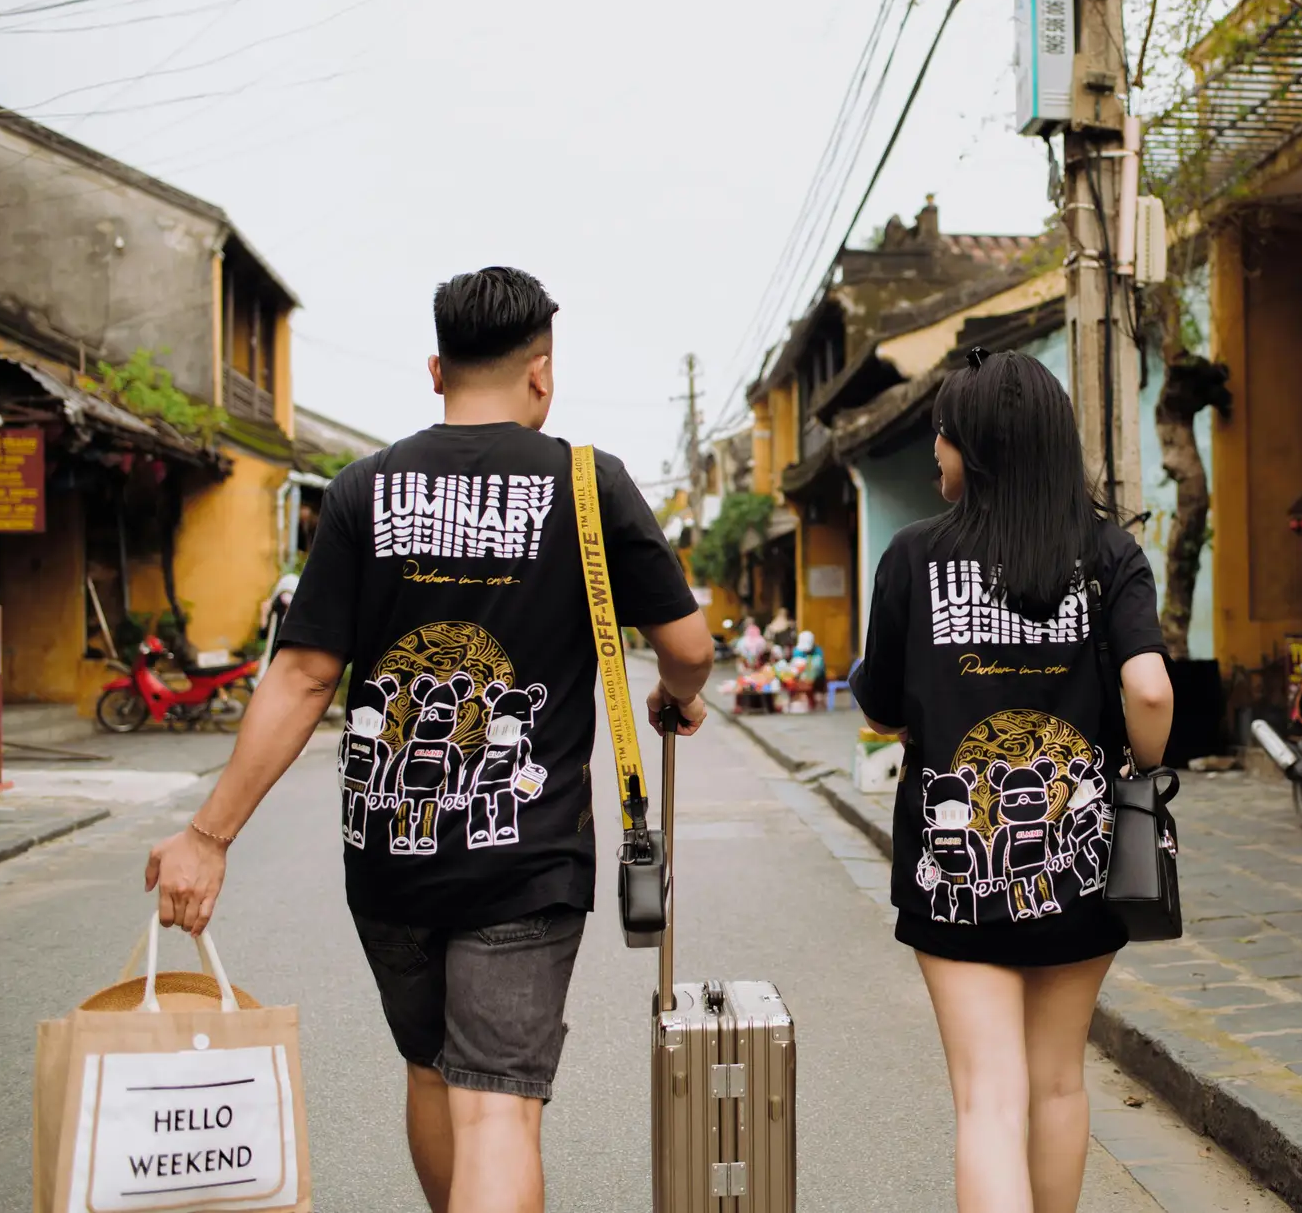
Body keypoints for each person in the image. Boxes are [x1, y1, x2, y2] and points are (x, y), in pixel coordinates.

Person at [143, 267, 714, 1213]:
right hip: (524, 858)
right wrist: (677, 700)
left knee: (430, 1071)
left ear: (435, 368)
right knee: (496, 1109)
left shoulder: (364, 490)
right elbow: (685, 649)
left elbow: (303, 674)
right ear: (543, 375)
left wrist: (208, 836)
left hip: (389, 857)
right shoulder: (586, 483)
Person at [849, 348, 1174, 1213]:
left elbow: (880, 708)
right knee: (1059, 1084)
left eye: (943, 437)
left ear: (977, 448)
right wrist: (1144, 767)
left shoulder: (913, 557)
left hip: (956, 867)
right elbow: (1148, 688)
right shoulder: (1110, 554)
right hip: (1083, 861)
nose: (935, 454)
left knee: (988, 1101)